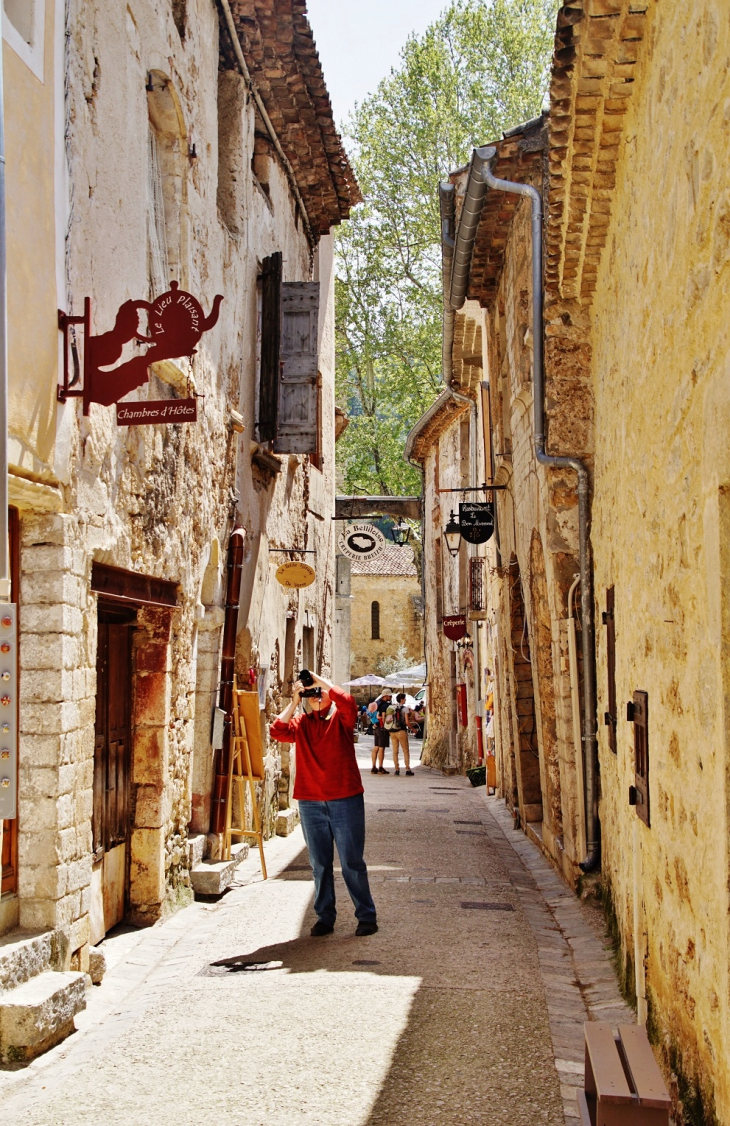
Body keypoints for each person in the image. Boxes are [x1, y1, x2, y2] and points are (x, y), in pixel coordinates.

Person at [269, 671, 378, 938]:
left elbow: (349, 704)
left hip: (345, 800)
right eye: (312, 694)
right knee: (319, 863)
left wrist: (322, 683)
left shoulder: (341, 721)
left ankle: (366, 916)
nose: (316, 697)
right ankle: (324, 916)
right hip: (310, 803)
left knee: (352, 862)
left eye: (320, 694)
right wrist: (295, 700)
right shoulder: (301, 723)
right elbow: (276, 731)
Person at [385, 692, 417, 776]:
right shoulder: (405, 709)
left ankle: (397, 769)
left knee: (395, 751)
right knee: (405, 750)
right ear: (402, 700)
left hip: (392, 731)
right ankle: (407, 768)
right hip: (401, 731)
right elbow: (406, 722)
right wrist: (413, 729)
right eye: (404, 699)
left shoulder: (392, 707)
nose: (405, 700)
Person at [371, 690, 392, 774]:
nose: (390, 697)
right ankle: (380, 767)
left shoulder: (376, 703)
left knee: (376, 747)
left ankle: (373, 767)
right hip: (382, 728)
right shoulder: (385, 705)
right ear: (385, 696)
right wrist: (385, 727)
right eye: (389, 696)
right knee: (381, 748)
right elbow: (383, 717)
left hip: (375, 727)